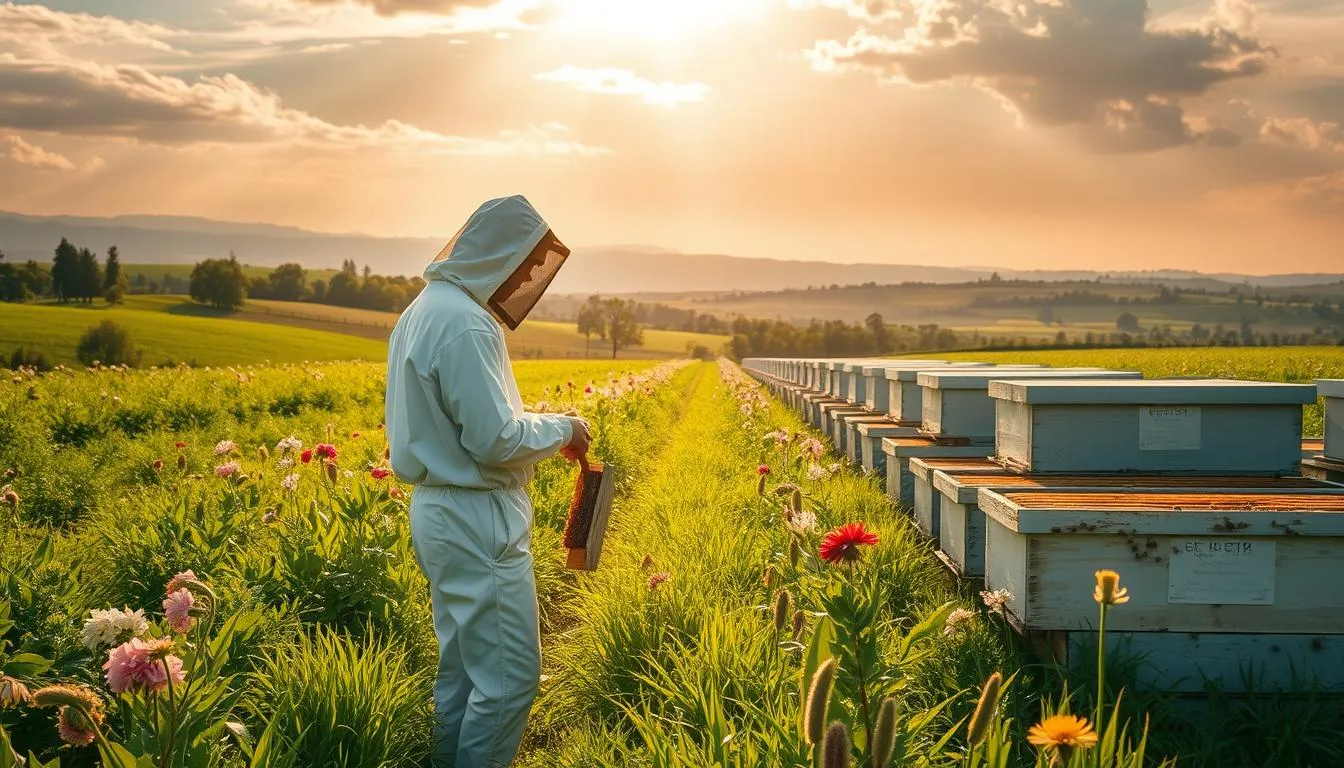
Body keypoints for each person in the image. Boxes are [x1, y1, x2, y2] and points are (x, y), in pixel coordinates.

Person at [385, 195, 591, 767]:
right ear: (500, 251)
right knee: (508, 681)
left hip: (438, 510)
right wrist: (565, 427)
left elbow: (472, 424)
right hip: (477, 516)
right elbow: (495, 439)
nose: (526, 276)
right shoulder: (467, 323)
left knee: (460, 672)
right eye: (525, 264)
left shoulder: (424, 309)